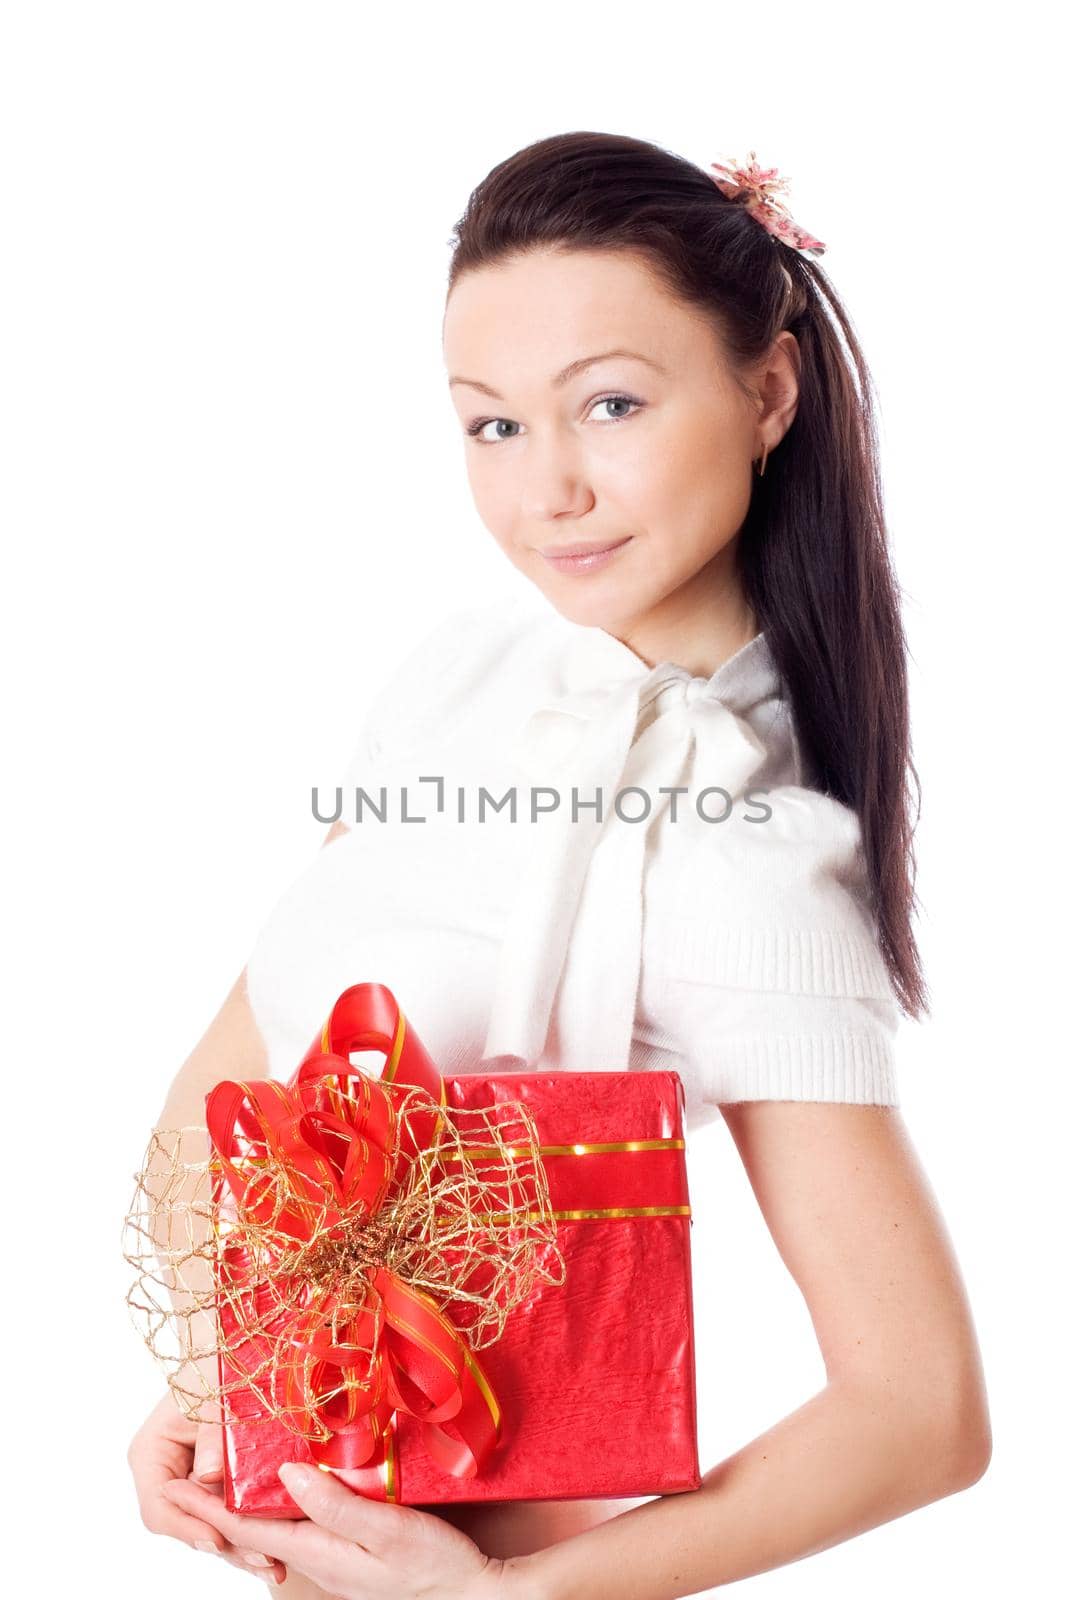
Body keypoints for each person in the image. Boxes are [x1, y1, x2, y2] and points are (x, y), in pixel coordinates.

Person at [127, 132, 991, 1598]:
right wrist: (226, 1384)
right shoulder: (464, 680)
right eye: (492, 426)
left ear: (767, 391)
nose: (551, 491)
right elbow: (224, 1094)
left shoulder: (747, 854)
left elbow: (921, 1418)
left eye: (611, 403)